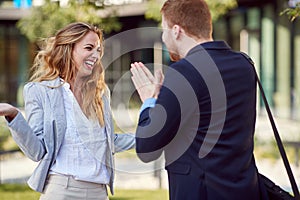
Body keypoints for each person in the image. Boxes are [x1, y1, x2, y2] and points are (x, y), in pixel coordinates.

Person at [130, 0, 268, 199]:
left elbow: (147, 147)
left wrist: (150, 100)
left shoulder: (184, 72)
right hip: (244, 191)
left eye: (164, 30)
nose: (163, 37)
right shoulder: (244, 65)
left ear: (176, 31)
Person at [0, 22, 135, 200]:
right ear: (68, 49)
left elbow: (109, 141)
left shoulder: (99, 94)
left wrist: (152, 138)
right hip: (61, 190)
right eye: (89, 48)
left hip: (99, 193)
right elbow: (37, 152)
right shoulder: (40, 91)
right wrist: (14, 115)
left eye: (98, 50)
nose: (96, 55)